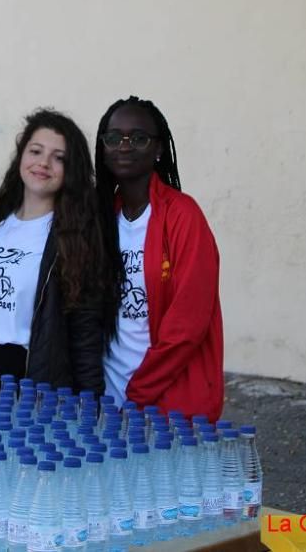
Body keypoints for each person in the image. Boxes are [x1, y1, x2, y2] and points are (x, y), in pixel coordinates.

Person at [0, 109, 107, 394]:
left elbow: (84, 336)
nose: (43, 163)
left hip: (21, 384)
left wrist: (88, 405)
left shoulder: (74, 241)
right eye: (36, 151)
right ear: (21, 155)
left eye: (59, 158)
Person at [95, 96, 224, 420]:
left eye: (139, 138)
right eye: (114, 138)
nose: (124, 146)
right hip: (108, 398)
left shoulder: (182, 215)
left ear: (158, 149)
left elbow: (187, 325)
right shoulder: (99, 217)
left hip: (168, 401)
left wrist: (138, 394)